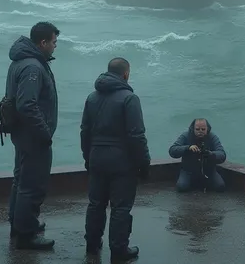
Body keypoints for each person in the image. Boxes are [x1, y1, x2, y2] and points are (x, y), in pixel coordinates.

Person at [80, 57, 151, 263]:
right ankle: (119, 250)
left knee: (95, 204)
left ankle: (92, 244)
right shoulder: (129, 98)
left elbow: (85, 131)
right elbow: (136, 136)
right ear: (126, 74)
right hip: (122, 163)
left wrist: (88, 157)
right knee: (120, 207)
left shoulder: (92, 97)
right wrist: (144, 164)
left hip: (97, 158)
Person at [5, 21, 59, 250]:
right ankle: (26, 235)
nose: (55, 47)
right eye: (54, 42)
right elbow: (27, 104)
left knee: (21, 179)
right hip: (33, 136)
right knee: (32, 185)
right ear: (43, 42)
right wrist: (44, 133)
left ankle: (19, 225)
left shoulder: (21, 62)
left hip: (22, 133)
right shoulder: (33, 68)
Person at [168, 118, 227, 192]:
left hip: (209, 170)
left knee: (220, 186)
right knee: (181, 187)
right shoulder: (185, 136)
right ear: (193, 129)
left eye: (203, 129)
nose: (200, 131)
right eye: (197, 129)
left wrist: (211, 154)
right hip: (188, 170)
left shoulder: (212, 137)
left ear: (207, 129)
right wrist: (187, 148)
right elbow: (172, 150)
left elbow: (222, 154)